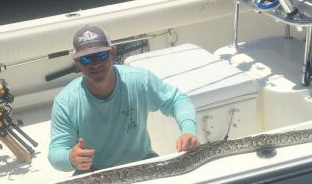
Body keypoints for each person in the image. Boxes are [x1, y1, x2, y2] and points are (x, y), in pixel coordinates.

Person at [48, 25, 199, 172]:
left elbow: (177, 100)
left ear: (112, 53)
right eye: (86, 59)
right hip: (93, 170)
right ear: (77, 62)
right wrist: (70, 158)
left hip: (142, 161)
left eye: (101, 55)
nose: (95, 64)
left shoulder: (140, 80)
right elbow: (55, 152)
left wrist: (188, 130)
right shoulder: (65, 102)